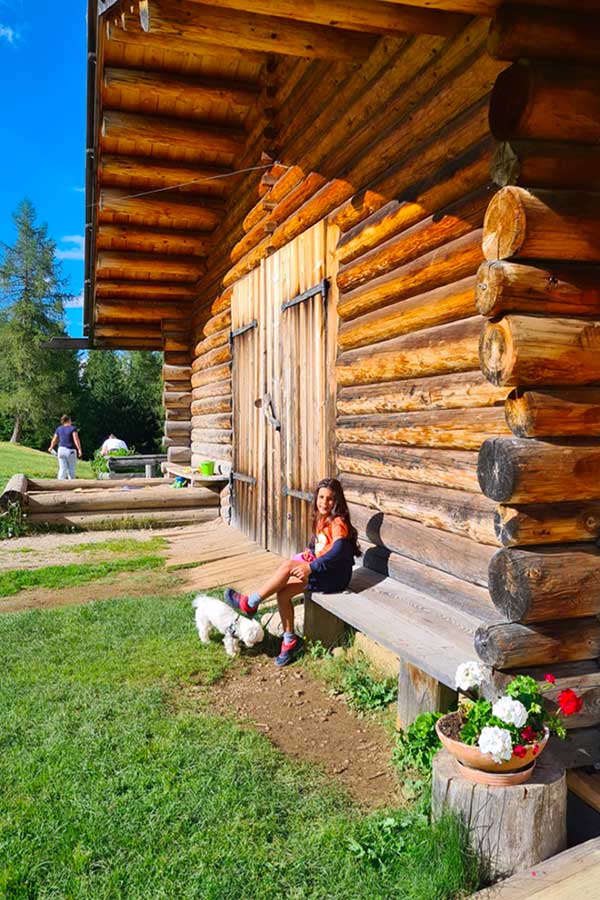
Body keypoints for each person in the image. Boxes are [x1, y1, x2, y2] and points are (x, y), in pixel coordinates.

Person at [224, 478, 361, 667]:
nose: (324, 502)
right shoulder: (322, 518)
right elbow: (319, 545)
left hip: (335, 577)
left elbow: (338, 550)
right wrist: (310, 554)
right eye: (321, 497)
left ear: (337, 501)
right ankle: (290, 640)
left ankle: (251, 602)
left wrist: (311, 567)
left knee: (288, 566)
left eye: (330, 499)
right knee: (283, 593)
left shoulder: (338, 522)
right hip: (324, 571)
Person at [48, 414, 82, 480]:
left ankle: (60, 485)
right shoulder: (73, 428)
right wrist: (79, 449)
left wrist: (51, 447)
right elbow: (76, 439)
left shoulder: (59, 429)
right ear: (69, 420)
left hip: (61, 450)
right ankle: (71, 485)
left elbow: (54, 439)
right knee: (71, 468)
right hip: (70, 450)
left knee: (62, 468)